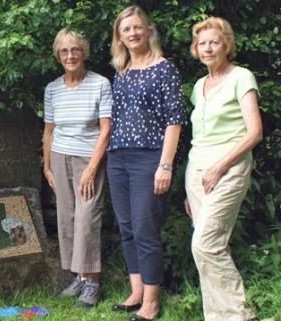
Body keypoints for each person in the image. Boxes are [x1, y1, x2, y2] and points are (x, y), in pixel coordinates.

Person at [107, 5, 187, 321]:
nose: (133, 33)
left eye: (138, 27)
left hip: (149, 157)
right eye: (126, 29)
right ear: (120, 37)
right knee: (126, 227)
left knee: (145, 228)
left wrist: (165, 165)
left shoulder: (164, 68)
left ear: (148, 30)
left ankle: (152, 302)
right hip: (118, 157)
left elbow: (174, 121)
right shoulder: (121, 71)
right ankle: (137, 291)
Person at [184, 17, 262, 321]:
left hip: (228, 169)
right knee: (210, 247)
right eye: (202, 43)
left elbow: (254, 132)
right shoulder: (199, 85)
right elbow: (198, 137)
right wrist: (190, 188)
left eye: (214, 42)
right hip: (197, 173)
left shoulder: (241, 77)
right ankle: (216, 317)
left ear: (226, 44)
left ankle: (242, 316)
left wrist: (219, 167)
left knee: (205, 245)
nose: (208, 48)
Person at [42, 28, 112, 308]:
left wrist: (92, 168)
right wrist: (46, 166)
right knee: (68, 218)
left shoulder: (100, 84)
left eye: (75, 49)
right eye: (64, 51)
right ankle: (79, 277)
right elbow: (49, 130)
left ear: (84, 52)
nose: (70, 55)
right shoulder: (53, 89)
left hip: (89, 158)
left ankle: (93, 282)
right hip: (59, 157)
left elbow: (106, 130)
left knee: (87, 219)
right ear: (58, 56)